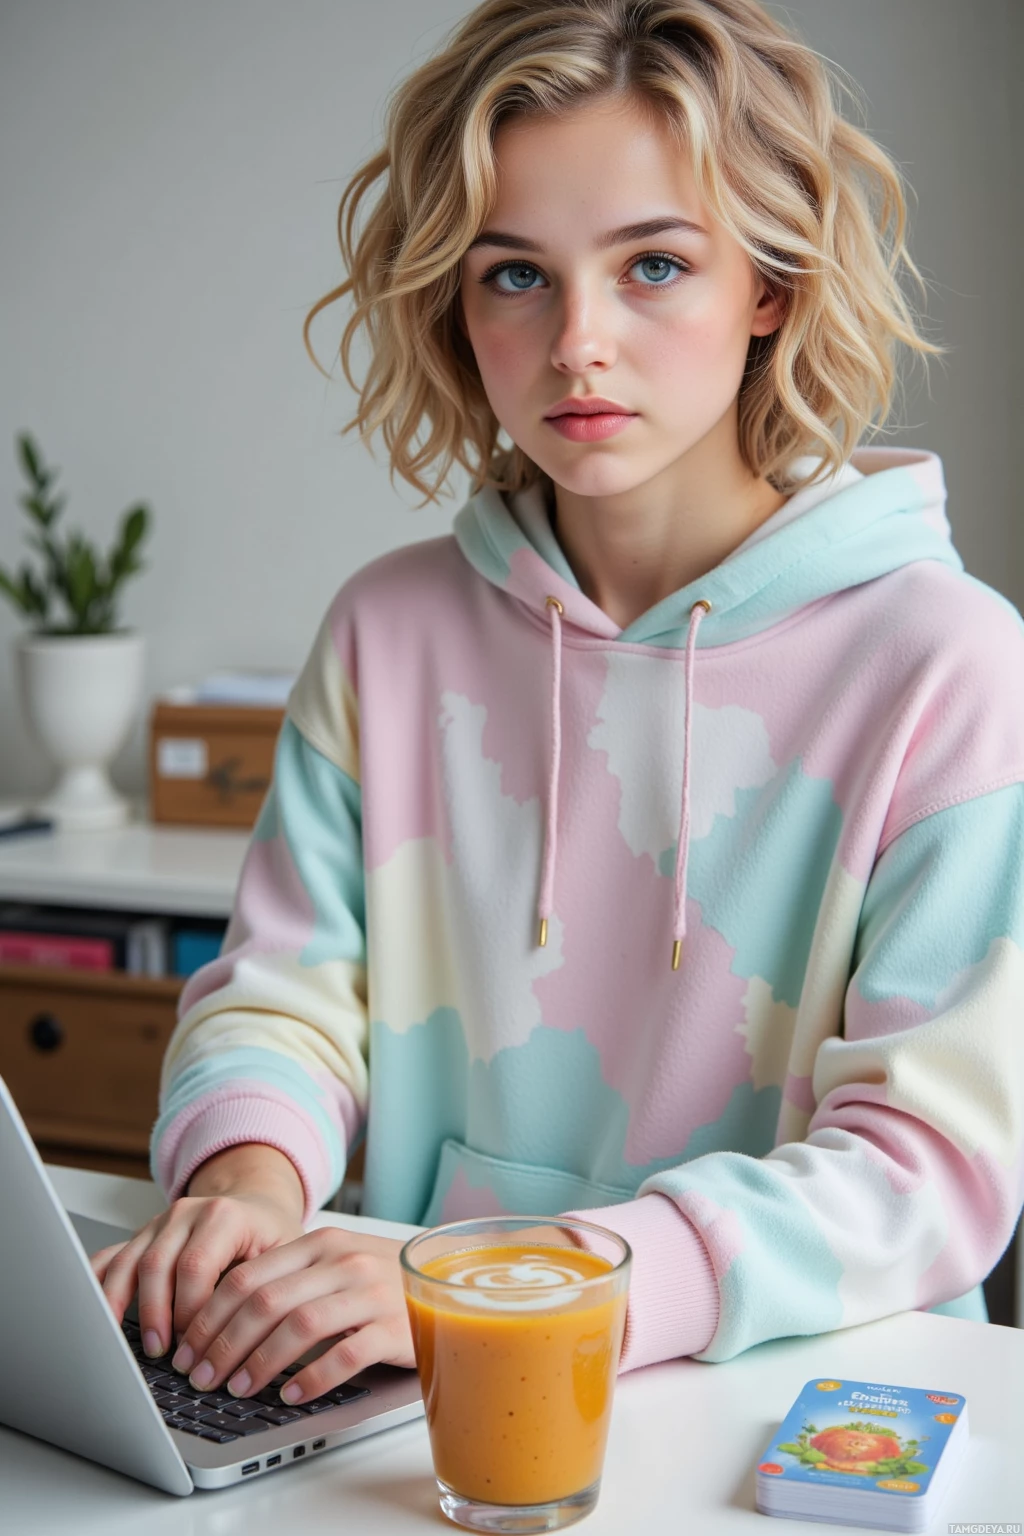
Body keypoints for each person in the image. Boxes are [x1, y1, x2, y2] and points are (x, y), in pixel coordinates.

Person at [94, 0, 1024, 1412]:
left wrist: (533, 1279)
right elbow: (285, 994)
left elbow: (930, 1167)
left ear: (769, 283)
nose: (580, 341)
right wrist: (244, 1184)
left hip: (785, 1411)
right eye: (515, 275)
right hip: (431, 1403)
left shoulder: (952, 663)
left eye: (655, 264)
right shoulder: (387, 628)